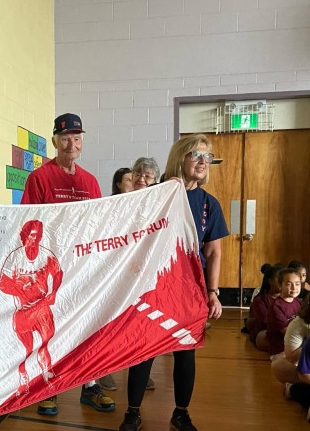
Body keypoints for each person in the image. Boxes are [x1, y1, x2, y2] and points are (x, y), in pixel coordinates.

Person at [119, 134, 228, 431]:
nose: (204, 162)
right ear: (180, 157)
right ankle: (132, 412)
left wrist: (213, 293)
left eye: (208, 157)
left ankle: (181, 413)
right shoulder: (153, 194)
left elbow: (214, 252)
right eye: (197, 155)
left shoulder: (209, 205)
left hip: (188, 291)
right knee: (144, 351)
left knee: (185, 353)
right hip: (153, 286)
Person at [20, 113, 113, 415]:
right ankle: (50, 386)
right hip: (51, 270)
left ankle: (91, 385)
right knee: (53, 330)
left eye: (76, 138)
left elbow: (98, 225)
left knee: (88, 325)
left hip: (83, 267)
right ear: (55, 141)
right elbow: (27, 223)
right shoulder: (40, 178)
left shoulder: (90, 181)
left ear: (82, 141)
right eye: (65, 138)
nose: (70, 143)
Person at [100, 158, 158, 392]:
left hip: (143, 275)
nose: (142, 179)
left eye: (148, 176)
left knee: (140, 326)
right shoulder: (116, 202)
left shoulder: (157, 203)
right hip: (116, 272)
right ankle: (103, 370)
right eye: (138, 174)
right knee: (111, 324)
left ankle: (139, 370)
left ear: (155, 181)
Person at [0, 220, 63, 396]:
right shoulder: (15, 256)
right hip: (22, 313)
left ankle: (47, 377)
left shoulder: (46, 255)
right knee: (24, 351)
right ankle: (23, 380)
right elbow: (2, 283)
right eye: (29, 236)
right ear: (23, 237)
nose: (32, 240)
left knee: (45, 345)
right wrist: (20, 286)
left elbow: (58, 273)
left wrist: (54, 292)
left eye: (36, 236)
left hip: (41, 309)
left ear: (41, 237)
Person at [271, 287, 310, 387]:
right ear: (309, 306)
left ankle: (301, 388)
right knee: (278, 365)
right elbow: (291, 357)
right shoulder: (298, 323)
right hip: (308, 369)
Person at [267, 269, 304, 360]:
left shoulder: (299, 302)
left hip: (298, 343)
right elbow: (287, 331)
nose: (294, 288)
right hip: (281, 349)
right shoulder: (275, 306)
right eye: (288, 284)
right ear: (280, 285)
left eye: (297, 284)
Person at [247, 263, 283, 352]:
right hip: (266, 331)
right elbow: (267, 320)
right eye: (279, 279)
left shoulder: (292, 300)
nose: (282, 282)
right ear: (270, 281)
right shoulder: (260, 300)